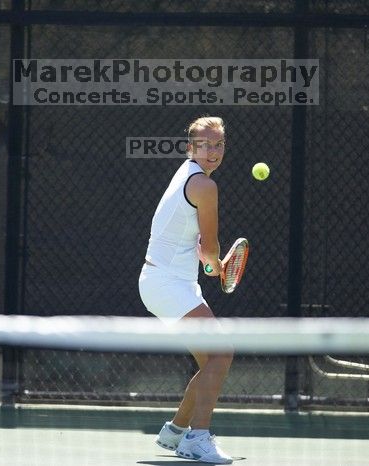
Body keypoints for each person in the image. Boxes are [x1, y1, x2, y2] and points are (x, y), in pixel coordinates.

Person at [138, 116, 233, 464]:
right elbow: (208, 249)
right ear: (190, 148)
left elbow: (195, 243)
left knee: (211, 361)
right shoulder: (205, 187)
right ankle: (198, 438)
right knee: (222, 354)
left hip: (167, 282)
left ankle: (176, 430)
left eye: (219, 144)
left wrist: (208, 263)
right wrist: (213, 263)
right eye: (205, 145)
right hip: (167, 283)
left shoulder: (187, 173)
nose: (213, 152)